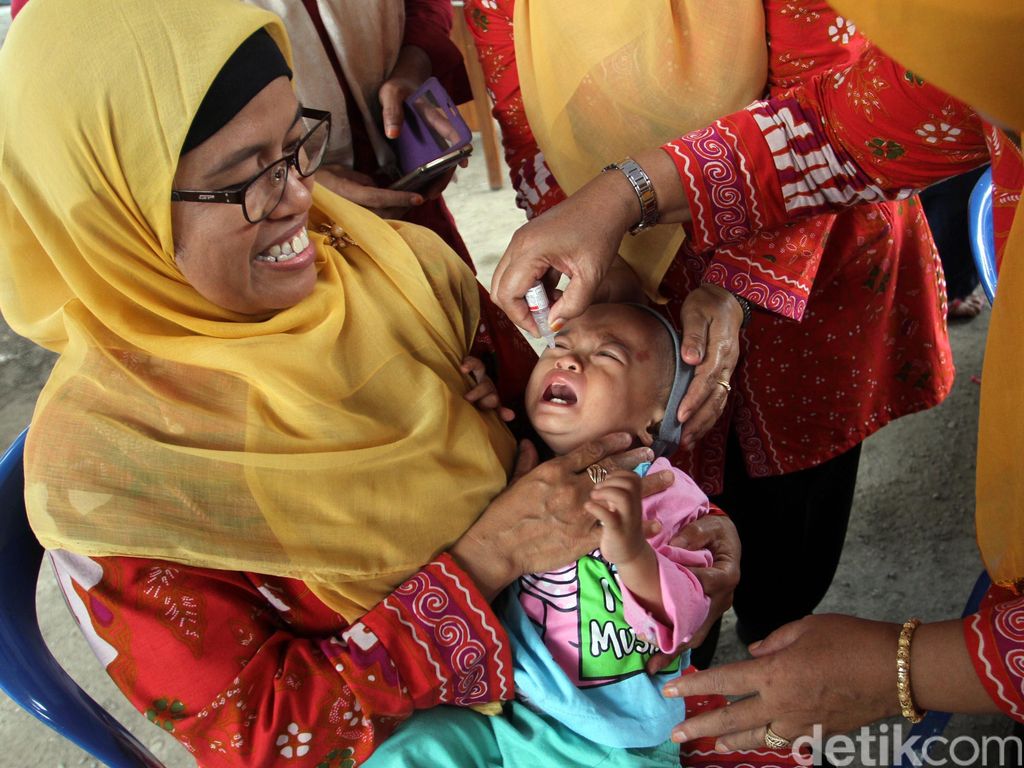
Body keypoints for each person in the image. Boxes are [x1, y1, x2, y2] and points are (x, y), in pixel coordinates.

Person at [0, 2, 700, 766]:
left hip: (584, 684)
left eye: (297, 145)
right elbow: (267, 737)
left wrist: (666, 556)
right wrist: (481, 564)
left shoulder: (388, 267)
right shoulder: (113, 481)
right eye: (247, 181)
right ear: (107, 214)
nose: (303, 196)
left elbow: (572, 445)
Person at [480, 0, 1024, 752]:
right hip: (634, 254)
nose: (566, 354)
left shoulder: (980, 53)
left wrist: (907, 669)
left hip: (810, 289)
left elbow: (838, 111)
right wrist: (608, 205)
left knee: (790, 550)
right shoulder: (977, 73)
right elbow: (840, 130)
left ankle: (776, 631)